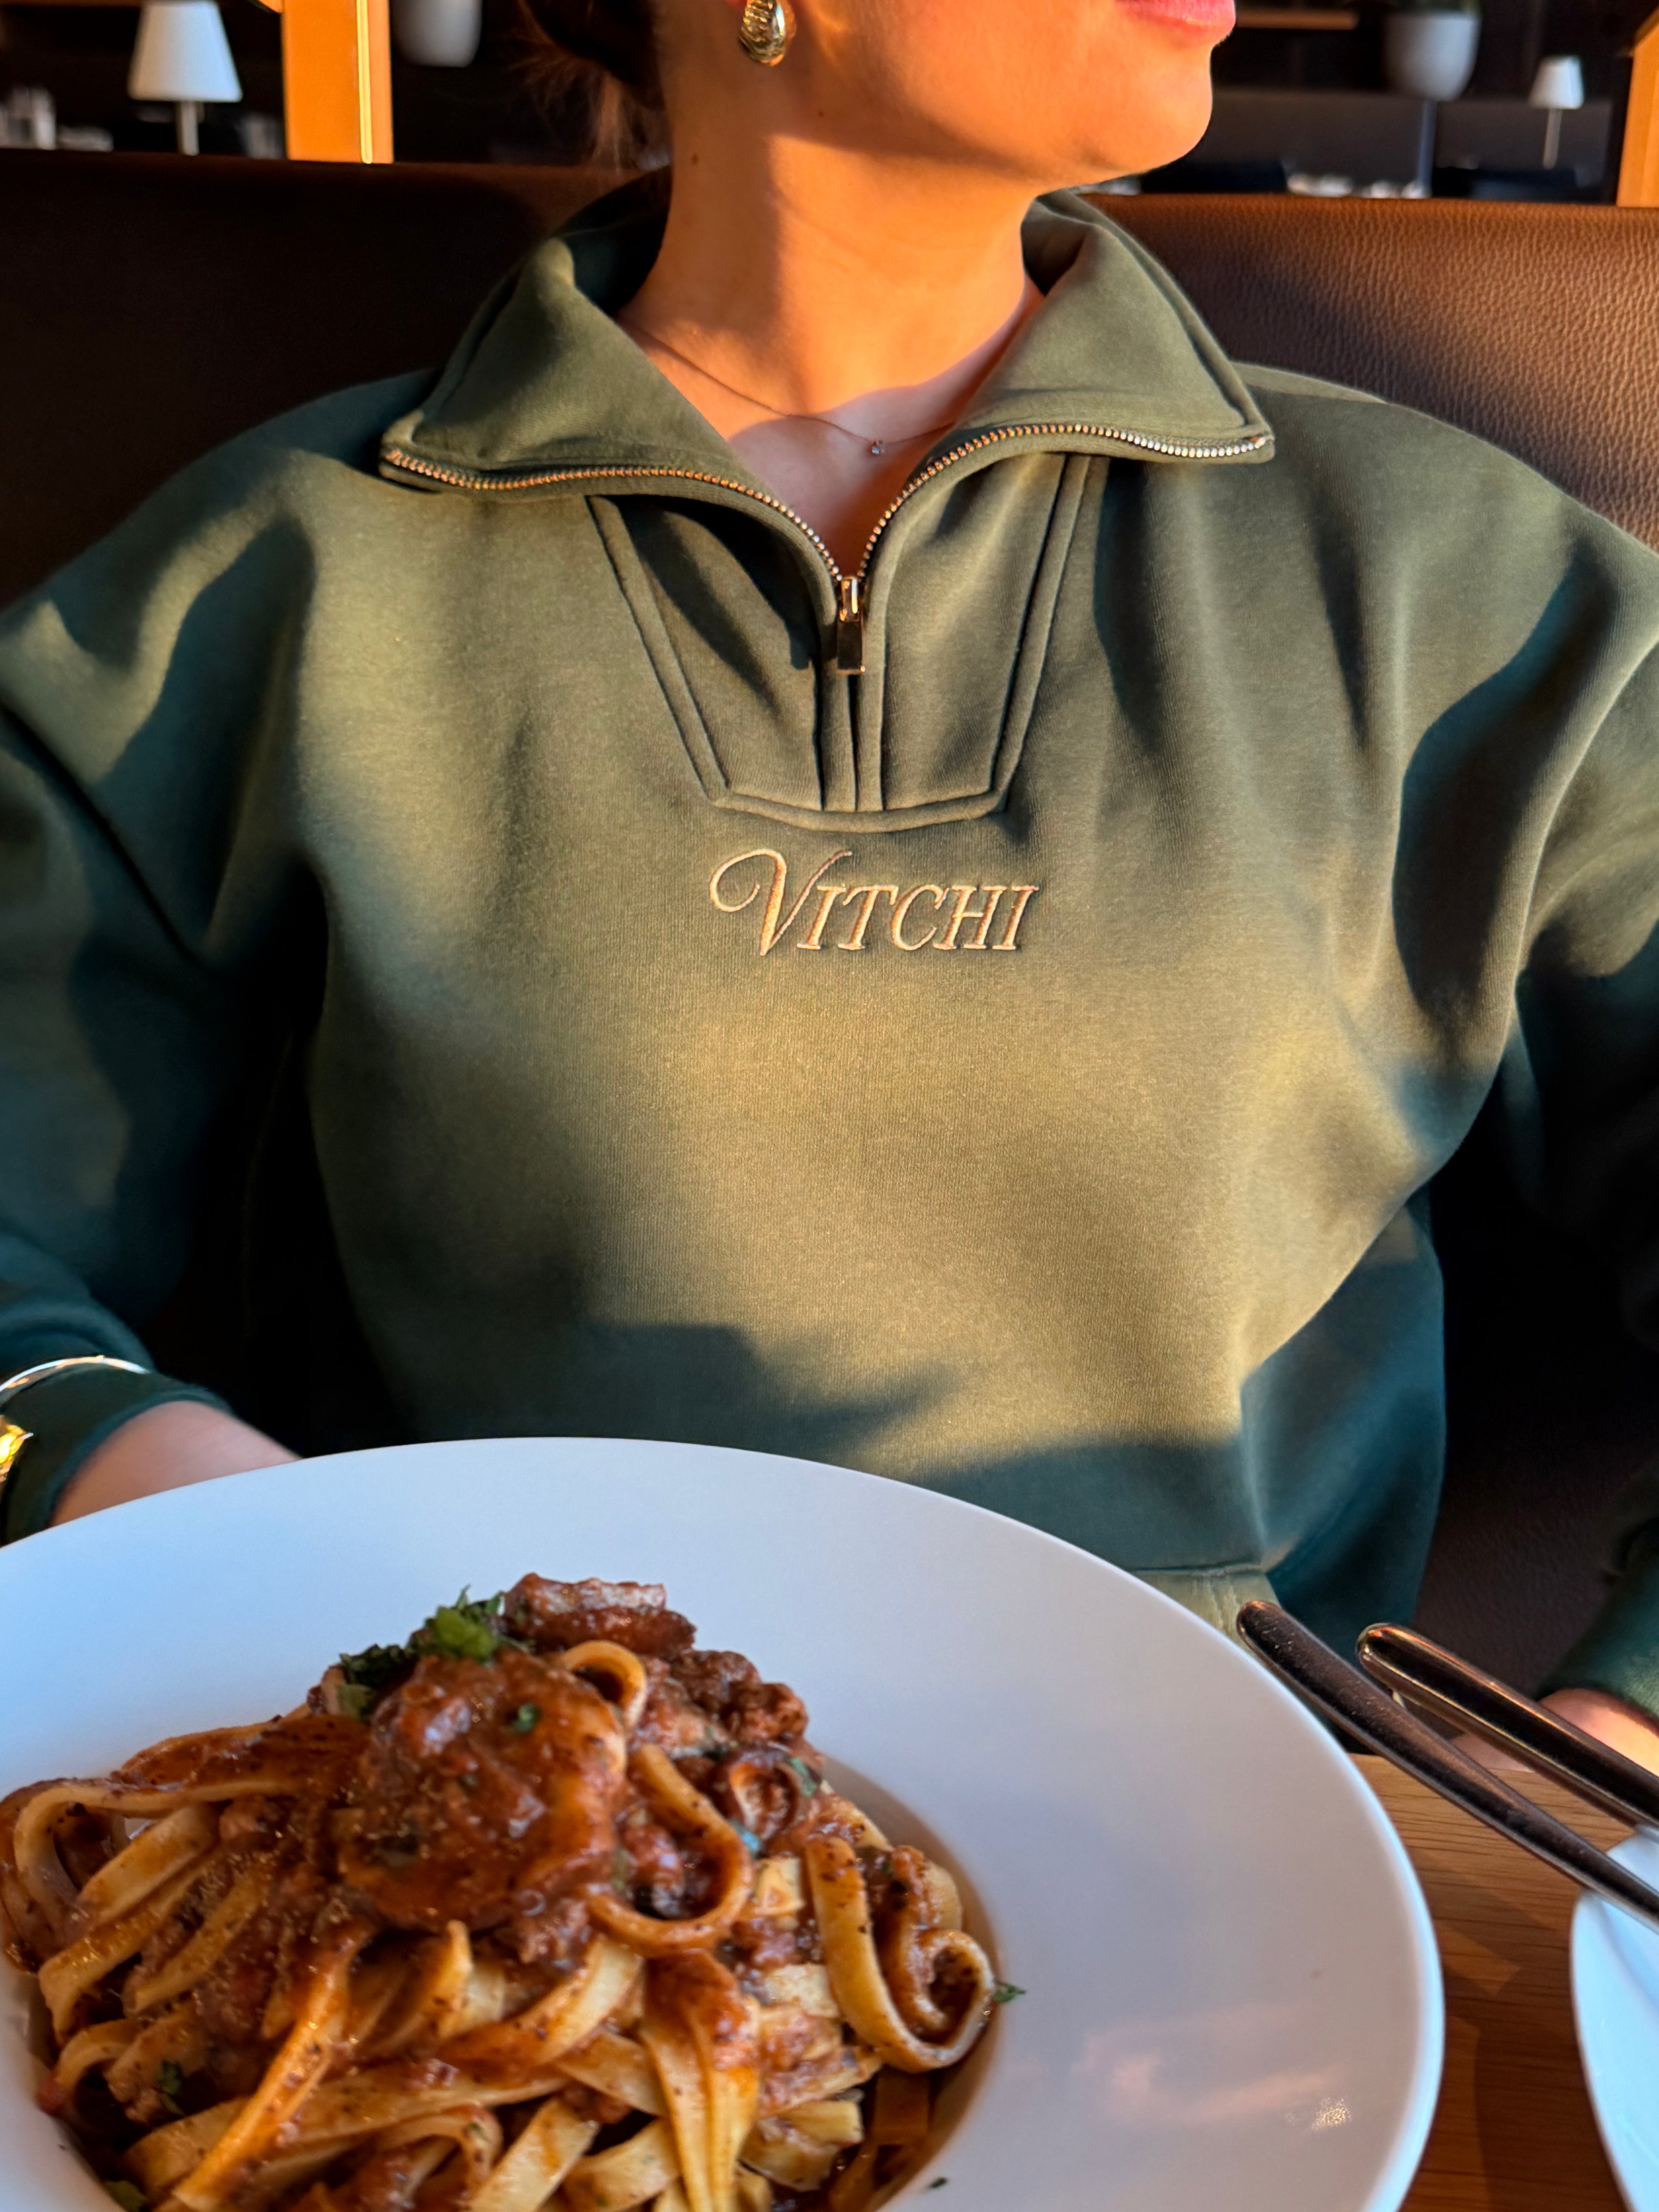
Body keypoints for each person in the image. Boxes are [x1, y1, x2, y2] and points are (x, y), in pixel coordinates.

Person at [3, 0, 1659, 1769]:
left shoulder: (1464, 594)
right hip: (487, 1861)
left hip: (1259, 1872)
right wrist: (154, 1494)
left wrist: (1599, 1757)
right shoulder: (269, 589)